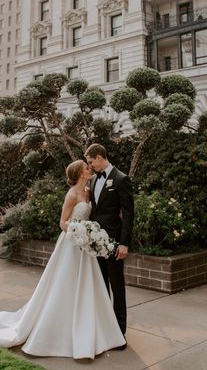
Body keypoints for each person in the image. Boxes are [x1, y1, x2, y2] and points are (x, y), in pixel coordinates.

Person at [0, 160, 126, 359]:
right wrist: (79, 232)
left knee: (88, 285)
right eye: (86, 167)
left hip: (86, 246)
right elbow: (62, 222)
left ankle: (91, 326)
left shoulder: (88, 189)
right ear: (79, 173)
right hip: (71, 244)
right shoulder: (72, 194)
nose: (89, 168)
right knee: (64, 284)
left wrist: (90, 236)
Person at [85, 143, 134, 345]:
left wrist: (124, 243)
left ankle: (119, 332)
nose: (90, 167)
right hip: (96, 242)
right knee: (101, 284)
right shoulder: (95, 179)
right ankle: (105, 326)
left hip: (114, 242)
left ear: (99, 157)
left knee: (117, 285)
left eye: (90, 162)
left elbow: (129, 214)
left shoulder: (121, 179)